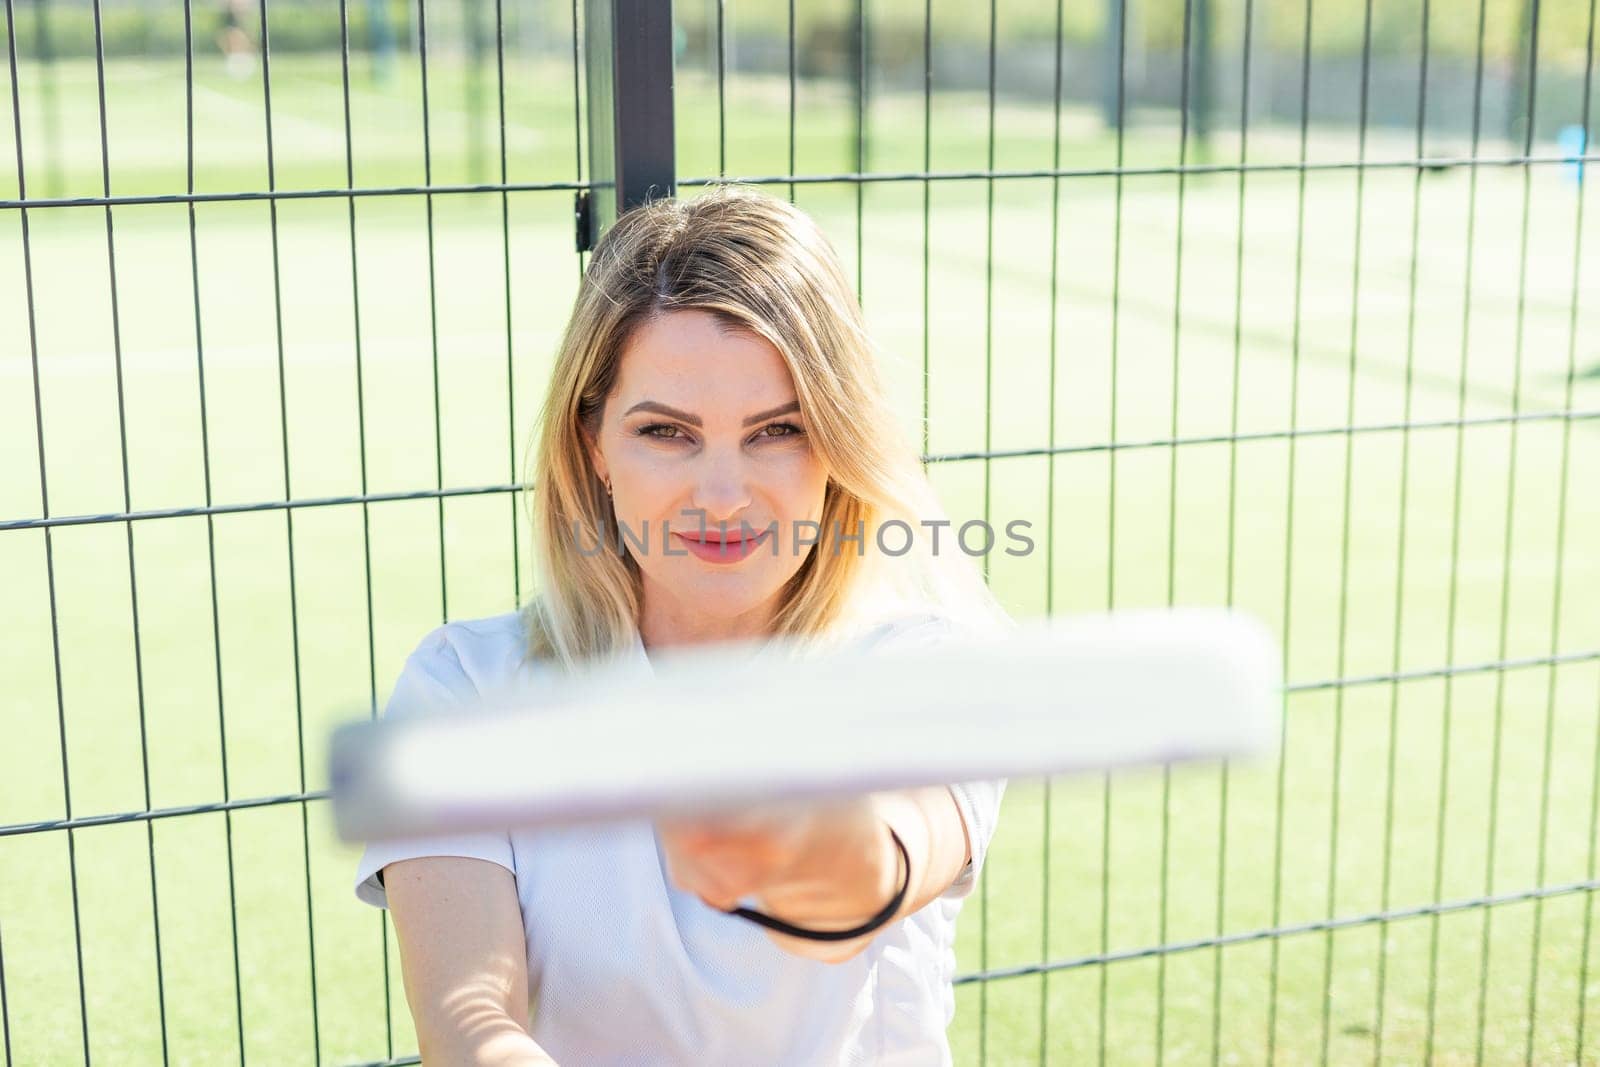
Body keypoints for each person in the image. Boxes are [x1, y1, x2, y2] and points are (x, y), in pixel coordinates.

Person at [352, 185, 1011, 1065]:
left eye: (777, 429)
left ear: (836, 443)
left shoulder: (924, 670)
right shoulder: (463, 688)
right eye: (667, 431)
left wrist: (813, 857)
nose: (724, 495)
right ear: (594, 445)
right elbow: (471, 1027)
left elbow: (887, 858)